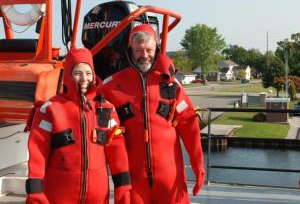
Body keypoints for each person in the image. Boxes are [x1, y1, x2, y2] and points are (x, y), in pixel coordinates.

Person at [100, 24, 205, 203]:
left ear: (155, 49)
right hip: (133, 179)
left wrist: (198, 166)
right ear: (130, 50)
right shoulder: (111, 87)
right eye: (139, 50)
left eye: (148, 49)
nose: (144, 55)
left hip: (170, 177)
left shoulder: (171, 86)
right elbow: (93, 126)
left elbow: (189, 125)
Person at [25, 48, 131, 204]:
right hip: (59, 194)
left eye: (88, 73)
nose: (84, 78)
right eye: (78, 73)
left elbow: (117, 150)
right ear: (68, 74)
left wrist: (123, 186)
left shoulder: (106, 109)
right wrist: (35, 190)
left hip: (97, 196)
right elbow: (38, 150)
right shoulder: (50, 108)